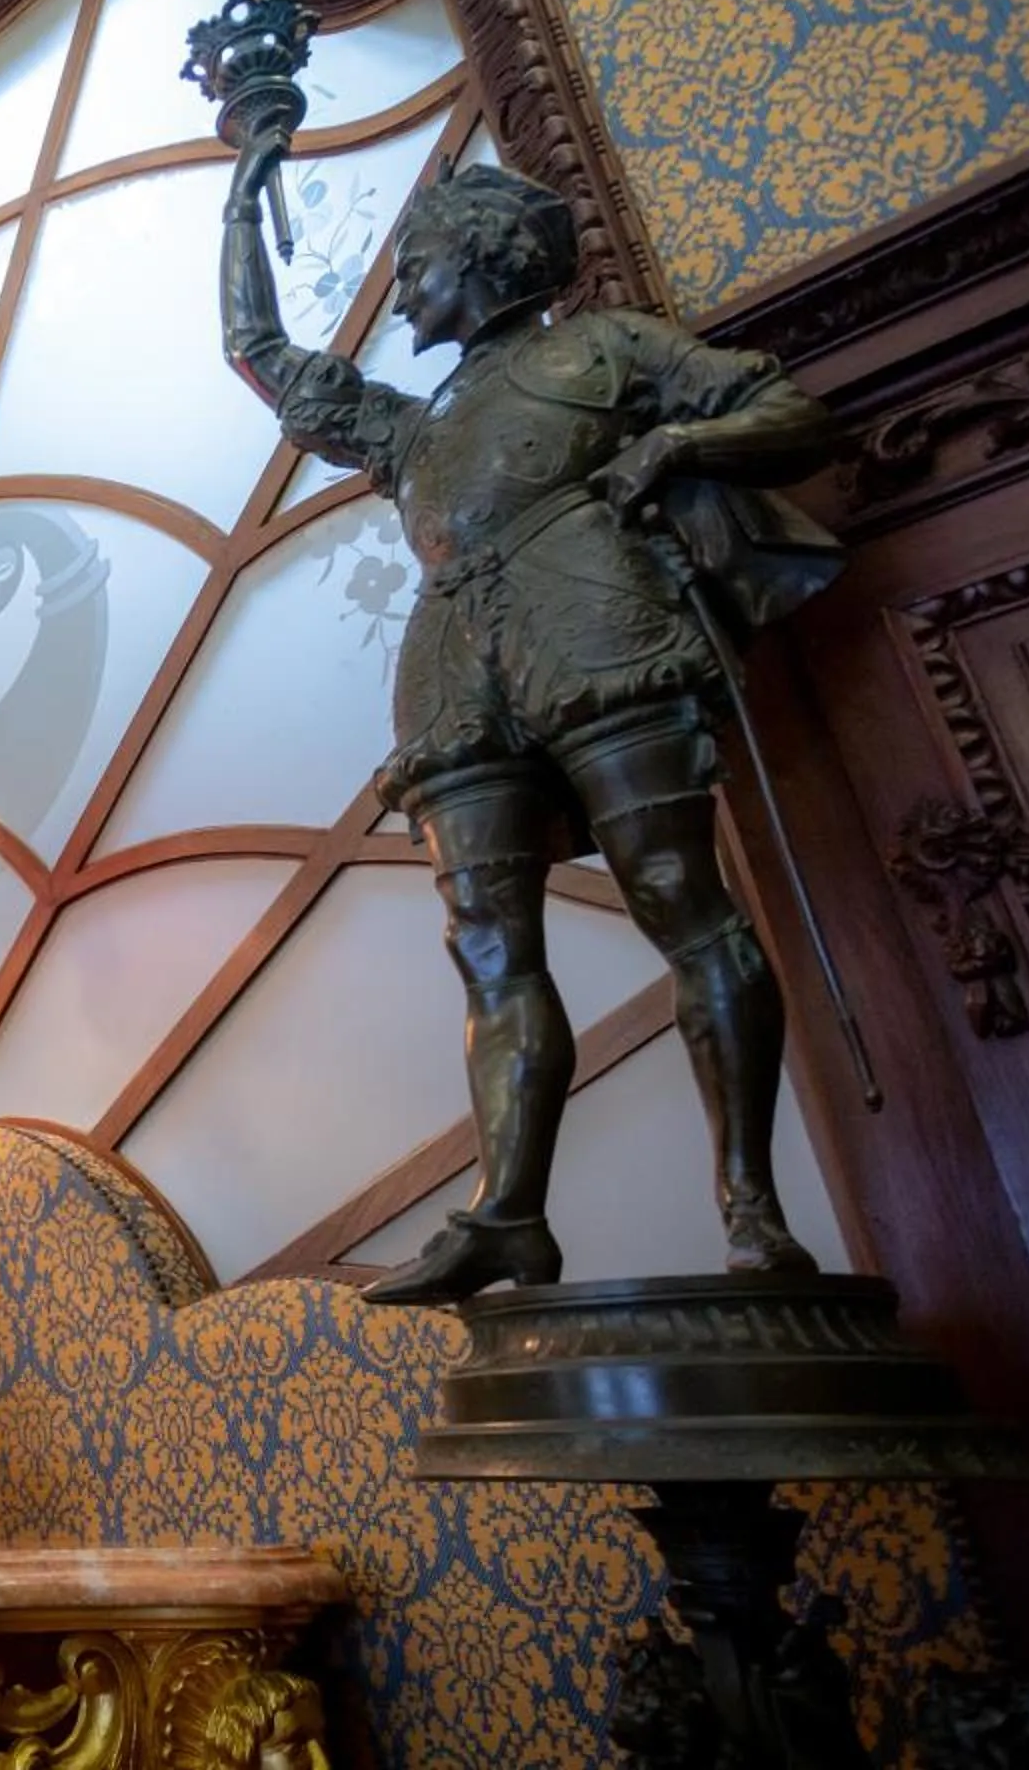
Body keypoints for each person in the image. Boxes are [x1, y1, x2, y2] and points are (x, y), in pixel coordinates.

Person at [219, 133, 845, 1302]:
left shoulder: (605, 349)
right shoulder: (415, 426)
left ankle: (752, 1211)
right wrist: (245, 195)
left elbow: (789, 411)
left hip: (599, 626)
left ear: (484, 255)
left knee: (682, 903)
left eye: (418, 263)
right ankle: (509, 1210)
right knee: (491, 949)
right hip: (458, 670)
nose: (403, 288)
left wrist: (675, 441)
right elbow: (258, 351)